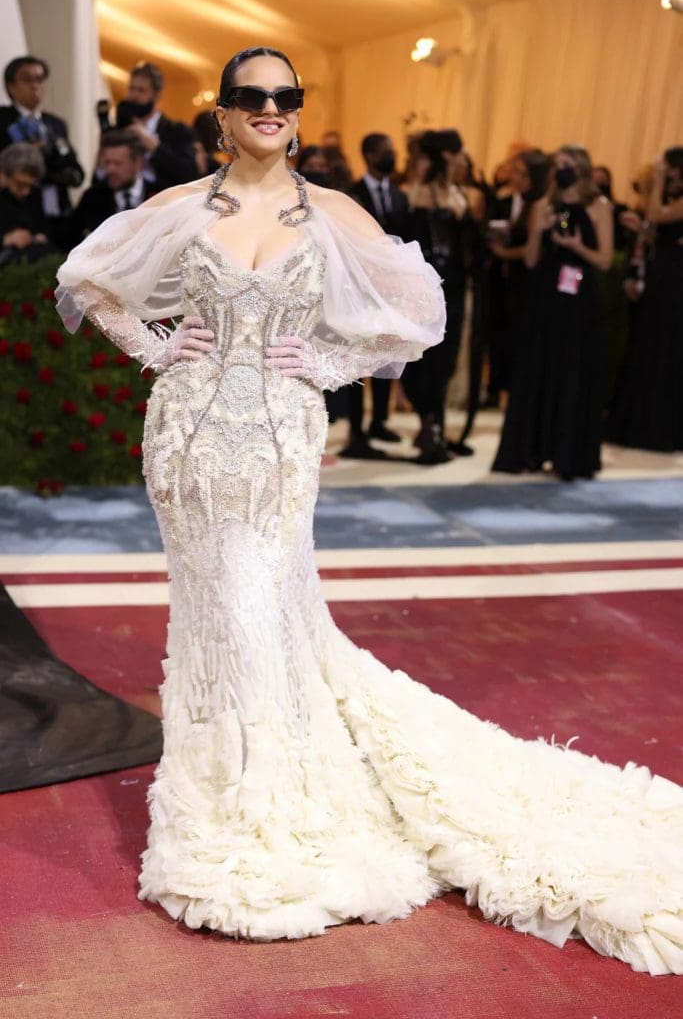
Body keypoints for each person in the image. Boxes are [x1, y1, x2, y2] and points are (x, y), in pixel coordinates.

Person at [56, 48, 683, 974]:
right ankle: (233, 802)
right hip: (188, 438)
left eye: (284, 97)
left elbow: (414, 317)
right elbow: (86, 277)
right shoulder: (181, 206)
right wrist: (156, 341)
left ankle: (274, 805)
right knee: (220, 617)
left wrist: (327, 365)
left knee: (262, 612)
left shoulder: (335, 212)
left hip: (280, 442)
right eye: (249, 97)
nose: (268, 109)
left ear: (298, 113)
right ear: (221, 114)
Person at [492, 145, 613, 480]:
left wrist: (577, 247)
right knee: (540, 368)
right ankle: (532, 449)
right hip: (544, 299)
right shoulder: (543, 204)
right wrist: (539, 230)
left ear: (583, 168)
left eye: (568, 164)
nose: (562, 170)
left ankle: (568, 455)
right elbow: (530, 259)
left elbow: (604, 259)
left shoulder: (599, 205)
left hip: (581, 301)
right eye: (557, 165)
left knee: (574, 371)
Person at [402, 129, 474, 463]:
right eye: (458, 153)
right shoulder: (414, 193)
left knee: (446, 357)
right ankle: (429, 424)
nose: (462, 159)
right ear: (447, 156)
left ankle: (434, 427)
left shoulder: (461, 195)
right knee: (422, 359)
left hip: (455, 288)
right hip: (422, 289)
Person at [606, 146, 683, 451]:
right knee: (647, 344)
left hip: (675, 279)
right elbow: (657, 229)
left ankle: (658, 426)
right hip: (661, 273)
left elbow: (656, 214)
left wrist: (659, 181)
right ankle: (634, 421)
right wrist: (643, 230)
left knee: (664, 345)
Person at [340, 133, 410, 457]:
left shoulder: (399, 195)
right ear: (368, 155)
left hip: (389, 290)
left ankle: (379, 420)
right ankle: (356, 430)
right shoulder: (352, 195)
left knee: (385, 353)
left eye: (392, 151)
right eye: (386, 152)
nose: (391, 157)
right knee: (359, 359)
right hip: (358, 288)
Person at [485, 150, 549, 406]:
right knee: (497, 334)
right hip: (500, 281)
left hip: (528, 281)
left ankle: (516, 392)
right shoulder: (502, 202)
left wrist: (503, 252)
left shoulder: (541, 205)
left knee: (521, 338)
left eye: (522, 173)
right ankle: (493, 389)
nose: (515, 177)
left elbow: (535, 250)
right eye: (514, 171)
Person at [0, 55, 84, 221]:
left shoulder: (56, 124)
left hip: (57, 212)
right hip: (15, 213)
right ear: (11, 87)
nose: (35, 85)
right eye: (27, 79)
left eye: (40, 79)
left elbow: (75, 170)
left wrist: (58, 171)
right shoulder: (3, 119)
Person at [115, 61, 197, 192]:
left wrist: (154, 147)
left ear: (157, 95)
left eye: (141, 90)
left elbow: (189, 173)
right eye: (131, 89)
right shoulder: (120, 129)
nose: (134, 95)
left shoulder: (177, 131)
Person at [66, 131, 153, 248]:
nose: (110, 169)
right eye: (107, 163)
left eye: (117, 164)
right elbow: (70, 238)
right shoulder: (92, 197)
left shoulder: (160, 194)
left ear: (137, 163)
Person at [0, 143, 57, 265]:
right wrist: (6, 239)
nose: (26, 191)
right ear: (3, 175)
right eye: (20, 184)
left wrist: (39, 236)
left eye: (30, 185)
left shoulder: (34, 195)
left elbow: (43, 227)